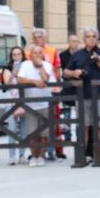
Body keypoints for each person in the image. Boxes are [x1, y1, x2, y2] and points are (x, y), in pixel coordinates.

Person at [62, 28, 100, 164]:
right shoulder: (78, 54)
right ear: (84, 39)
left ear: (97, 39)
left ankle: (98, 156)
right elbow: (65, 72)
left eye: (93, 36)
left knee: (98, 127)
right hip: (82, 95)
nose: (91, 39)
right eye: (88, 36)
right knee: (83, 126)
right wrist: (74, 73)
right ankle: (82, 156)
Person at [28, 28, 64, 160]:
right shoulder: (28, 53)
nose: (38, 40)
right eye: (35, 37)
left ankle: (53, 150)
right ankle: (35, 152)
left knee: (53, 121)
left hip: (50, 90)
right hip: (33, 93)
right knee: (34, 124)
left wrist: (56, 87)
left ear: (44, 38)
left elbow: (57, 70)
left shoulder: (52, 51)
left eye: (40, 37)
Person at [16, 45, 54, 166]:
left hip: (45, 103)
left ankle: (41, 157)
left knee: (44, 134)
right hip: (30, 105)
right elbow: (20, 79)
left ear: (42, 55)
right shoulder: (25, 64)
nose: (37, 55)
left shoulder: (47, 65)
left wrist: (40, 66)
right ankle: (33, 156)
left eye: (39, 53)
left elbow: (46, 79)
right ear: (30, 55)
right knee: (32, 133)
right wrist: (33, 81)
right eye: (35, 53)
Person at [0, 46, 28, 165]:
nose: (16, 56)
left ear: (22, 55)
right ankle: (12, 156)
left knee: (24, 130)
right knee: (11, 129)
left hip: (25, 102)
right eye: (14, 54)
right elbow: (6, 86)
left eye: (18, 54)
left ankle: (22, 155)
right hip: (11, 102)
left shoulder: (27, 67)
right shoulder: (7, 69)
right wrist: (13, 75)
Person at [58, 34, 82, 149]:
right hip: (67, 86)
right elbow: (61, 71)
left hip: (80, 87)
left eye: (77, 41)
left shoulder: (82, 54)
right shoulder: (62, 55)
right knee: (66, 112)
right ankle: (67, 136)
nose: (75, 43)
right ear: (69, 42)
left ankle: (79, 136)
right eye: (73, 41)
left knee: (79, 112)